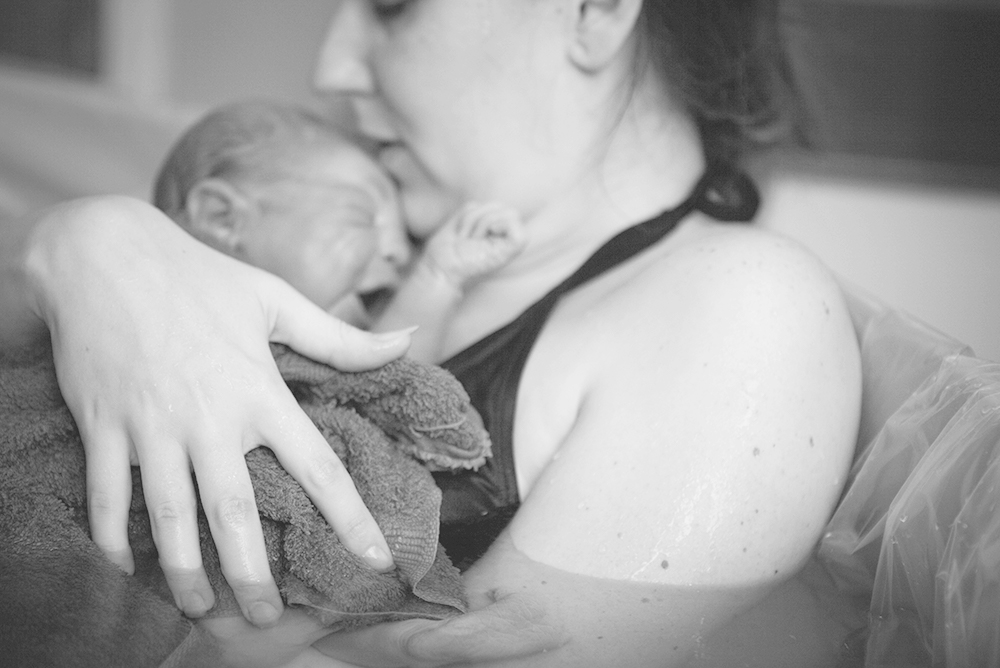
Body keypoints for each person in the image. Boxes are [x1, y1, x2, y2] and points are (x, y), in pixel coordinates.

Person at [0, 0, 863, 666]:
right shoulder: (369, 241)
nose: (332, 64)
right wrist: (85, 244)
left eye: (392, 1)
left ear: (595, 10)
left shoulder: (739, 307)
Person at [152, 99, 526, 363]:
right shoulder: (154, 335)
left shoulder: (328, 368)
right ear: (222, 220)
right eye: (364, 216)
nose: (400, 254)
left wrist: (437, 278)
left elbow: (389, 382)